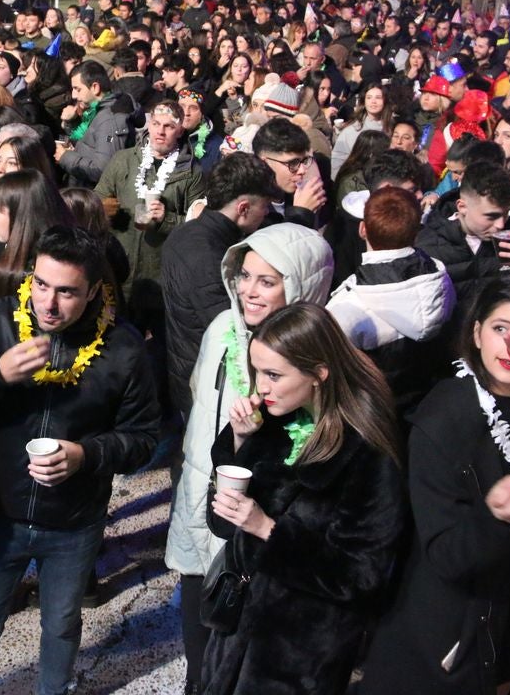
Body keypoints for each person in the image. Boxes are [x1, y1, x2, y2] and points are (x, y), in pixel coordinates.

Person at [0, 225, 159, 695]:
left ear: (95, 290)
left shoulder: (124, 348)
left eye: (68, 292)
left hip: (74, 523)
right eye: (41, 284)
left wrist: (87, 454)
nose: (49, 303)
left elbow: (142, 440)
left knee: (60, 626)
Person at [359, 277, 510, 694]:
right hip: (445, 642)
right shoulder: (443, 418)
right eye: (500, 329)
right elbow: (446, 555)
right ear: (475, 333)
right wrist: (497, 519)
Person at [202, 302, 406, 694]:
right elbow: (222, 525)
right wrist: (240, 441)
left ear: (319, 374)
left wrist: (267, 529)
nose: (260, 386)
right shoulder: (271, 422)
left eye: (274, 375)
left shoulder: (367, 451)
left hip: (300, 655)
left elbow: (361, 576)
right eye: (257, 370)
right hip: (234, 635)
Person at [165, 222, 333, 695]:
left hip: (266, 527)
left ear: (300, 285)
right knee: (200, 627)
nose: (249, 291)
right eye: (244, 276)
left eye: (268, 281)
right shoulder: (222, 329)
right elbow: (200, 394)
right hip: (207, 491)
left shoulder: (317, 359)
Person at [161, 152, 278, 418]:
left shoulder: (186, 233)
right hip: (205, 382)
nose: (267, 212)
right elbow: (233, 328)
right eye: (265, 206)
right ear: (243, 208)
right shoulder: (211, 258)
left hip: (185, 369)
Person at [326, 186, 456, 412]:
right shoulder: (441, 280)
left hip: (375, 419)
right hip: (431, 408)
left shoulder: (346, 307)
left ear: (362, 229)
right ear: (417, 232)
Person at [94, 101, 204, 321]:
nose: (160, 132)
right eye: (155, 124)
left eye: (169, 126)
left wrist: (167, 219)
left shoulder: (192, 172)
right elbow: (96, 198)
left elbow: (199, 230)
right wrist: (103, 209)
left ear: (181, 130)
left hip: (160, 280)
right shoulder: (123, 160)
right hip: (119, 271)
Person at [417, 156, 510, 311]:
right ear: (462, 207)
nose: (500, 225)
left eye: (506, 214)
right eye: (491, 216)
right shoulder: (426, 245)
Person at [54, 60, 138, 186]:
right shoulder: (96, 111)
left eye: (77, 89)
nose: (73, 95)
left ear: (95, 87)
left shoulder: (110, 121)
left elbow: (103, 169)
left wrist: (66, 157)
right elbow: (94, 144)